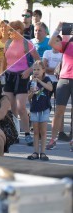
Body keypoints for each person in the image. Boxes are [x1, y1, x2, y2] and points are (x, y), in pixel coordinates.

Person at [3, 20, 40, 146]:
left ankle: (27, 134)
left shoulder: (27, 43)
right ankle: (15, 133)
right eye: (10, 29)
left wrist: (29, 71)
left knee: (21, 108)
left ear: (20, 29)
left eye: (14, 29)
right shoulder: (7, 42)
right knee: (11, 107)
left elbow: (38, 61)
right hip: (9, 76)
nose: (11, 32)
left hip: (22, 76)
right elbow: (3, 60)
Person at [46, 22, 73, 150]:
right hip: (64, 79)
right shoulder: (67, 44)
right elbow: (51, 43)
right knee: (59, 112)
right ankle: (53, 139)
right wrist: (57, 28)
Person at [27, 61, 53, 161]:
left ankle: (43, 152)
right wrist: (32, 93)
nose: (36, 71)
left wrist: (39, 82)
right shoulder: (31, 82)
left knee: (43, 131)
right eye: (34, 70)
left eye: (38, 69)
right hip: (34, 109)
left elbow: (50, 88)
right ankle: (35, 152)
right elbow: (28, 98)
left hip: (44, 109)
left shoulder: (46, 79)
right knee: (36, 132)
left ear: (43, 70)